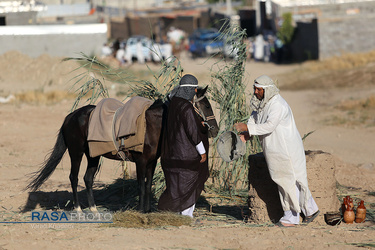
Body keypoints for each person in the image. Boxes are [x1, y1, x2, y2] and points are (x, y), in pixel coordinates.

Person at [234, 75, 320, 227]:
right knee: (291, 181)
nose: (255, 92)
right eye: (254, 88)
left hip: (285, 149)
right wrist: (248, 132)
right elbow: (255, 117)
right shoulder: (263, 103)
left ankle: (291, 217)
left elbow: (269, 126)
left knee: (287, 181)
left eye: (258, 89)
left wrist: (248, 128)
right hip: (275, 149)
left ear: (266, 90)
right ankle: (310, 210)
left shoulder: (277, 104)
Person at [158, 74, 209, 218]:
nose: (195, 93)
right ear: (191, 90)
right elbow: (192, 131)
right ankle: (187, 216)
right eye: (194, 90)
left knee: (176, 187)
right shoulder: (186, 107)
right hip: (186, 157)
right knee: (192, 182)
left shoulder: (173, 104)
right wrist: (202, 152)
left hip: (170, 155)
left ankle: (174, 214)